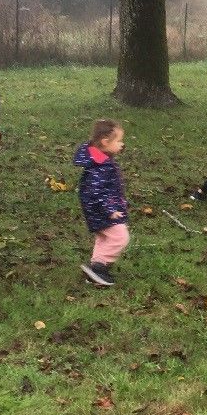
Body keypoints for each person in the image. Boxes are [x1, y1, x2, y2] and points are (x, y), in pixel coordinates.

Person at [74, 118, 129, 288]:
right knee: (120, 237)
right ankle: (99, 267)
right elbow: (95, 191)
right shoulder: (100, 166)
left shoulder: (100, 159)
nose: (122, 144)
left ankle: (95, 273)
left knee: (104, 238)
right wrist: (110, 209)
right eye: (118, 141)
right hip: (101, 211)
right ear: (105, 142)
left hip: (98, 209)